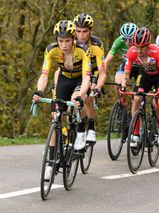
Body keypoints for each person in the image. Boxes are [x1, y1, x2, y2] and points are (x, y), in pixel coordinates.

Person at [32, 20, 91, 179]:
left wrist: (80, 95)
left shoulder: (82, 50)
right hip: (64, 80)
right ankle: (51, 162)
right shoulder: (51, 50)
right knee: (55, 116)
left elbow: (87, 77)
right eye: (60, 41)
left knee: (76, 100)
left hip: (80, 80)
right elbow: (45, 75)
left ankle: (80, 131)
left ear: (73, 39)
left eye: (67, 41)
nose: (64, 45)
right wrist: (38, 91)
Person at [121, 27, 159, 146]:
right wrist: (123, 86)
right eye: (136, 46)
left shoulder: (158, 52)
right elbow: (126, 73)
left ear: (148, 45)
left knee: (157, 103)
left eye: (142, 47)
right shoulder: (131, 52)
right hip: (145, 75)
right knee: (136, 99)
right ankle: (136, 134)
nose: (139, 50)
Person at [73, 13, 106, 142]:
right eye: (78, 31)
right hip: (78, 72)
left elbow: (102, 70)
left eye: (85, 31)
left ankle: (91, 126)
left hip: (94, 71)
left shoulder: (96, 44)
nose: (81, 35)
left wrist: (97, 87)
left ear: (91, 31)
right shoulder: (71, 42)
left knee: (89, 97)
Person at [104, 23, 139, 95]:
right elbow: (107, 60)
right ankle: (120, 103)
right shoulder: (119, 41)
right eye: (125, 39)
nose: (128, 42)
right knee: (118, 84)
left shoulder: (140, 42)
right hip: (127, 64)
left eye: (130, 39)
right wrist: (101, 74)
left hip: (140, 67)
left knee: (137, 92)